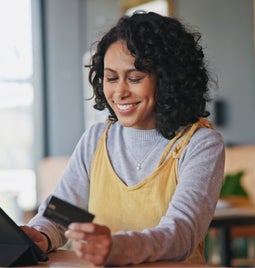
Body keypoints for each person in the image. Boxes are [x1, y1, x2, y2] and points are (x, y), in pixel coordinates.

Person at [22, 11, 225, 266]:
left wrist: (116, 247)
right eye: (111, 78)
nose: (119, 92)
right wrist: (40, 235)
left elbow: (181, 234)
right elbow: (61, 215)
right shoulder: (96, 138)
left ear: (168, 80)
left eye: (135, 78)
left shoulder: (200, 143)